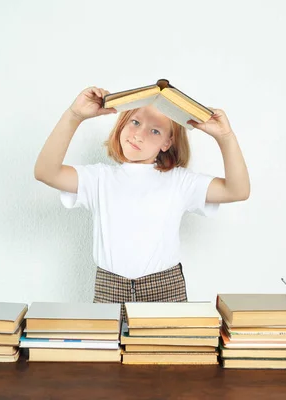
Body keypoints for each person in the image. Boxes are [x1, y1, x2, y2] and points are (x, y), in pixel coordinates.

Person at [34, 86, 250, 320]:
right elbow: (45, 172)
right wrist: (74, 116)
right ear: (122, 122)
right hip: (110, 289)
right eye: (135, 122)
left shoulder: (179, 181)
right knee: (106, 356)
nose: (139, 134)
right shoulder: (98, 179)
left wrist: (225, 137)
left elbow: (237, 190)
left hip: (165, 291)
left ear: (167, 143)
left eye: (155, 130)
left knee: (170, 355)